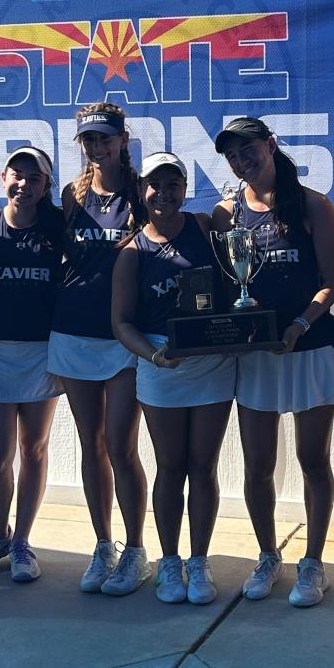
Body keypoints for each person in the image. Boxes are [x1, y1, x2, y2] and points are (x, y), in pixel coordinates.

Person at [212, 117, 334, 607]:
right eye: (232, 154)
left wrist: (299, 325)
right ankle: (268, 555)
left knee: (313, 460)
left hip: (308, 348)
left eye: (249, 149)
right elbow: (227, 287)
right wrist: (224, 330)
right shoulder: (226, 214)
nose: (243, 160)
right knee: (257, 466)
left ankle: (312, 562)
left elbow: (332, 282)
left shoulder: (313, 204)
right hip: (258, 357)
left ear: (270, 146)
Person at [112, 152, 236, 604]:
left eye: (173, 185)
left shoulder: (206, 227)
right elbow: (121, 323)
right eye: (155, 185)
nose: (163, 194)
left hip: (214, 363)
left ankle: (198, 562)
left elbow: (240, 278)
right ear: (141, 191)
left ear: (185, 189)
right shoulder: (131, 253)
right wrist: (154, 355)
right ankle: (168, 562)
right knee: (171, 467)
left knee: (203, 467)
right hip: (162, 366)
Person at [47, 102, 150, 596]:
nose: (97, 147)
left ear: (123, 140)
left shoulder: (142, 192)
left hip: (125, 335)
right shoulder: (72, 194)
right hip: (73, 331)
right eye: (89, 140)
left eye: (105, 138)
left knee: (121, 446)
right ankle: (103, 544)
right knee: (92, 445)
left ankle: (135, 549)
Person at [0, 147, 65, 584]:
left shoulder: (59, 225)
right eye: (17, 175)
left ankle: (22, 540)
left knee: (34, 449)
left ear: (46, 185)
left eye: (34, 178)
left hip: (40, 351)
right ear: (3, 176)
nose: (24, 184)